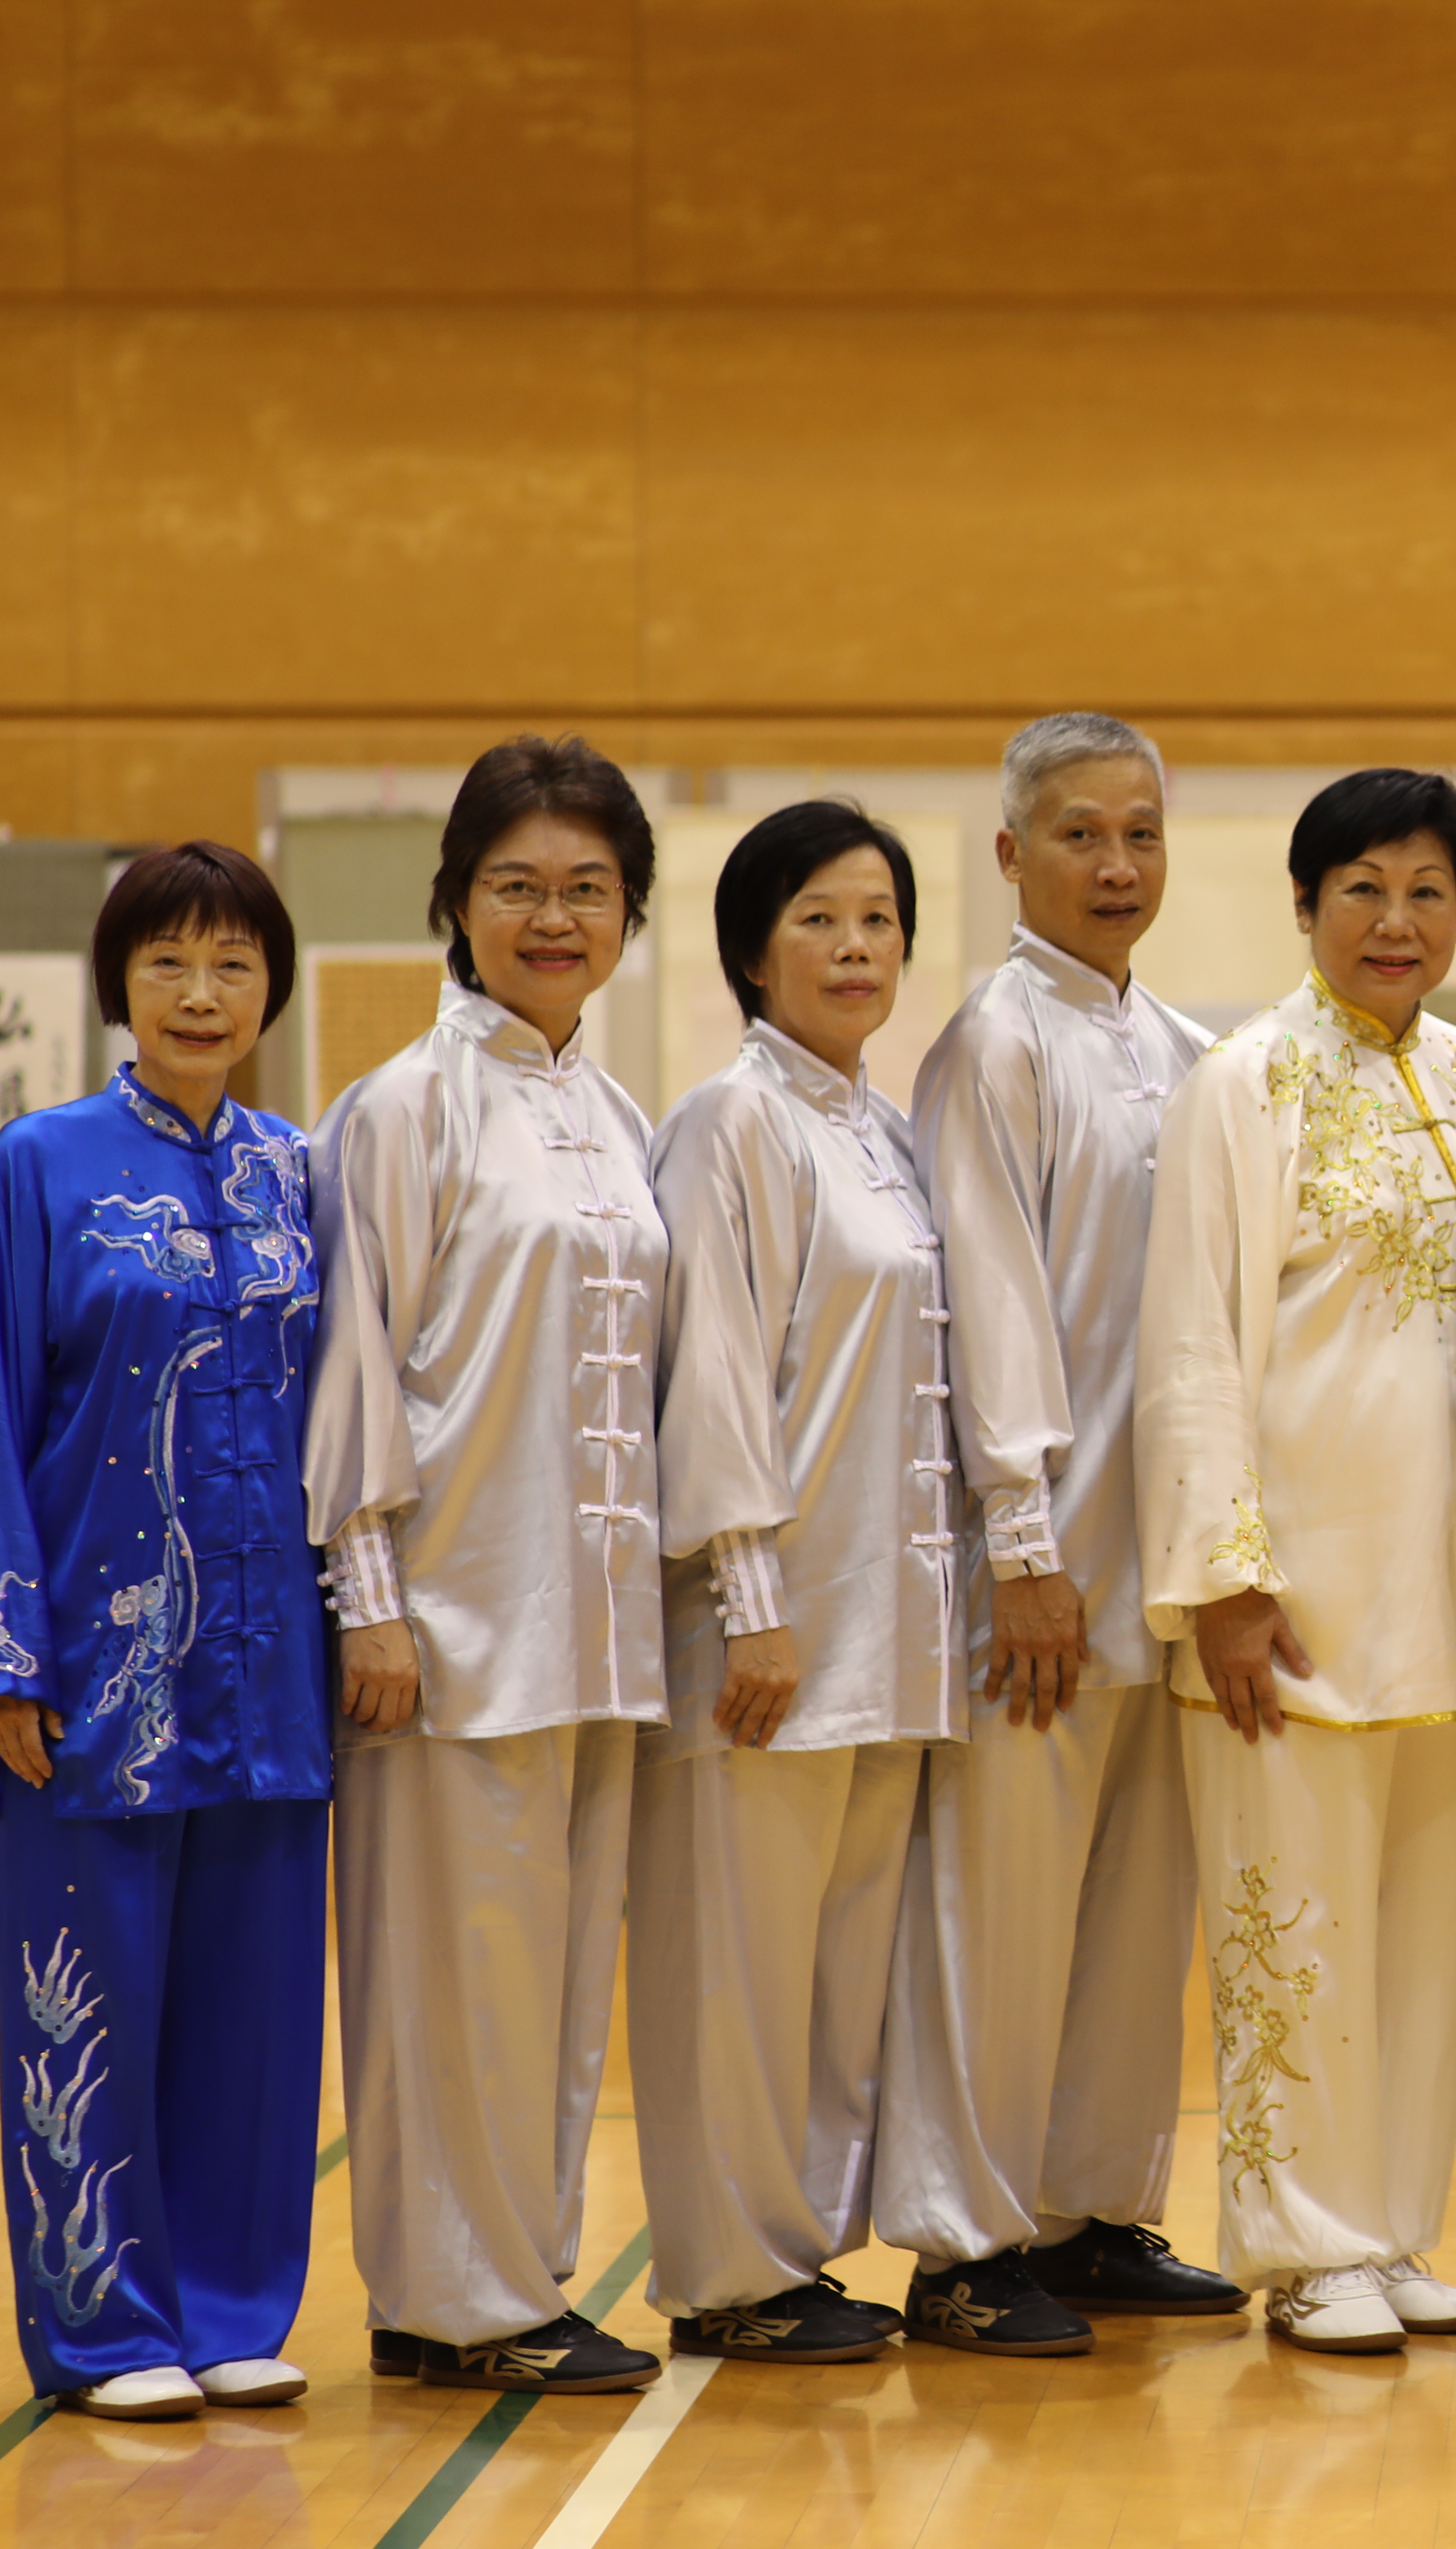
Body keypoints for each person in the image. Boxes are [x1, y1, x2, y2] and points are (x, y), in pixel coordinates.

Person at [0, 845, 328, 2422]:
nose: (203, 992)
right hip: (99, 1671)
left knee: (255, 2011)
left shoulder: (300, 1171)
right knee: (82, 1998)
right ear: (120, 983)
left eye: (233, 962)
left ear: (269, 987)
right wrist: (1, 1650)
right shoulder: (42, 1162)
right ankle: (105, 2327)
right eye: (168, 962)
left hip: (275, 1672)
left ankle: (234, 2307)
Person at [1136, 769, 1456, 2355]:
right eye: (1362, 886)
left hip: (1453, 1590)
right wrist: (1224, 1573)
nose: (1396, 918)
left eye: (1429, 889)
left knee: (1430, 1931)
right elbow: (1192, 1340)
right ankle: (1306, 2246)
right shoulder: (1243, 1083)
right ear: (1305, 907)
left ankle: (1396, 2227)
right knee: (1288, 1925)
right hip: (1286, 1604)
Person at [310, 738, 672, 2394]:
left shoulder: (613, 1111)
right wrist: (370, 1599)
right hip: (449, 1617)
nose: (553, 915)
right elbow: (356, 1368)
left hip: (599, 1627)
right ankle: (448, 2301)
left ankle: (526, 2275)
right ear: (453, 901)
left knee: (552, 1973)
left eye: (587, 887)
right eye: (518, 884)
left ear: (630, 915)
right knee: (448, 1972)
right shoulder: (402, 1106)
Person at [885, 713, 1241, 2353]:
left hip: (1171, 1557)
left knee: (1136, 1899)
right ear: (1014, 855)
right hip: (1037, 1563)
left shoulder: (1186, 1049)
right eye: (1083, 836)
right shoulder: (993, 1043)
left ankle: (1094, 2208)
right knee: (1007, 1900)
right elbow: (992, 1302)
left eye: (1143, 836)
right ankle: (966, 2241)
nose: (1117, 866)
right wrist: (1021, 1543)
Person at [629, 803, 966, 2367]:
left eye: (881, 920)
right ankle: (723, 2266)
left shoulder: (885, 1130)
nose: (856, 947)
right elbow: (711, 1379)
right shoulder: (730, 1120)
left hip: (888, 1625)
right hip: (767, 1623)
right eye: (822, 919)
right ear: (755, 946)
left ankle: (796, 2254)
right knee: (739, 1965)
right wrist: (751, 1591)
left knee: (836, 1963)